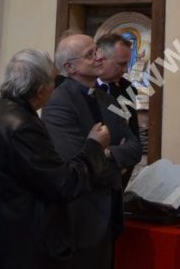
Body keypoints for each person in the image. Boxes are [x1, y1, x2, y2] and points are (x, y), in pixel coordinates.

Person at [0, 49, 112, 269]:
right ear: (42, 90)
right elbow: (64, 183)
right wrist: (94, 146)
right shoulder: (23, 125)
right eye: (55, 82)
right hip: (26, 239)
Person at [42, 33, 143, 269]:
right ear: (70, 67)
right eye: (90, 54)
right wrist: (114, 165)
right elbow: (75, 162)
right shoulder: (58, 102)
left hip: (109, 211)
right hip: (80, 214)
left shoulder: (107, 99)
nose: (99, 57)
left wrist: (106, 153)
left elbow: (135, 147)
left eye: (97, 50)